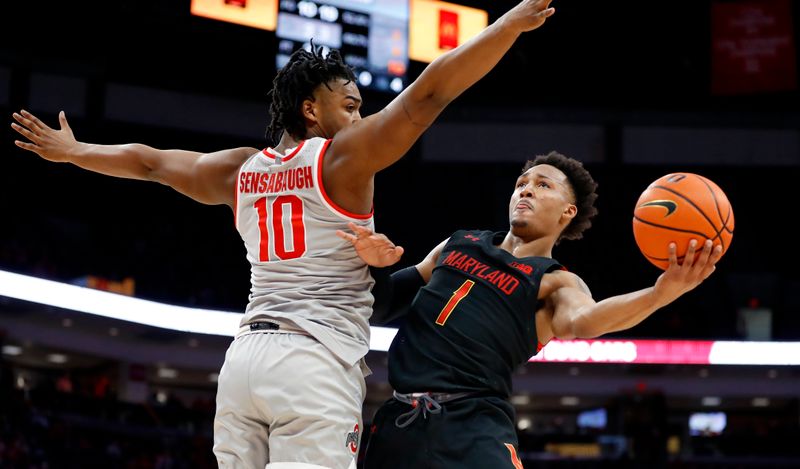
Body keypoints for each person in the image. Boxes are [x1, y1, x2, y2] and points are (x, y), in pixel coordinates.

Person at [10, 1, 557, 467]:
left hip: (244, 361)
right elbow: (428, 94)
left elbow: (150, 163)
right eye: (350, 106)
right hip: (313, 365)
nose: (360, 117)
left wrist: (77, 152)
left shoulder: (240, 169)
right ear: (310, 110)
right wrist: (505, 27)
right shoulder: (344, 158)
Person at [337, 151, 723, 468]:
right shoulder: (457, 244)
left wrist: (659, 293)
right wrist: (375, 264)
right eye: (522, 184)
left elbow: (584, 321)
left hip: (474, 428)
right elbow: (381, 305)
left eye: (543, 185)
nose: (526, 191)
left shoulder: (554, 280)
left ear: (567, 212)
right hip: (398, 423)